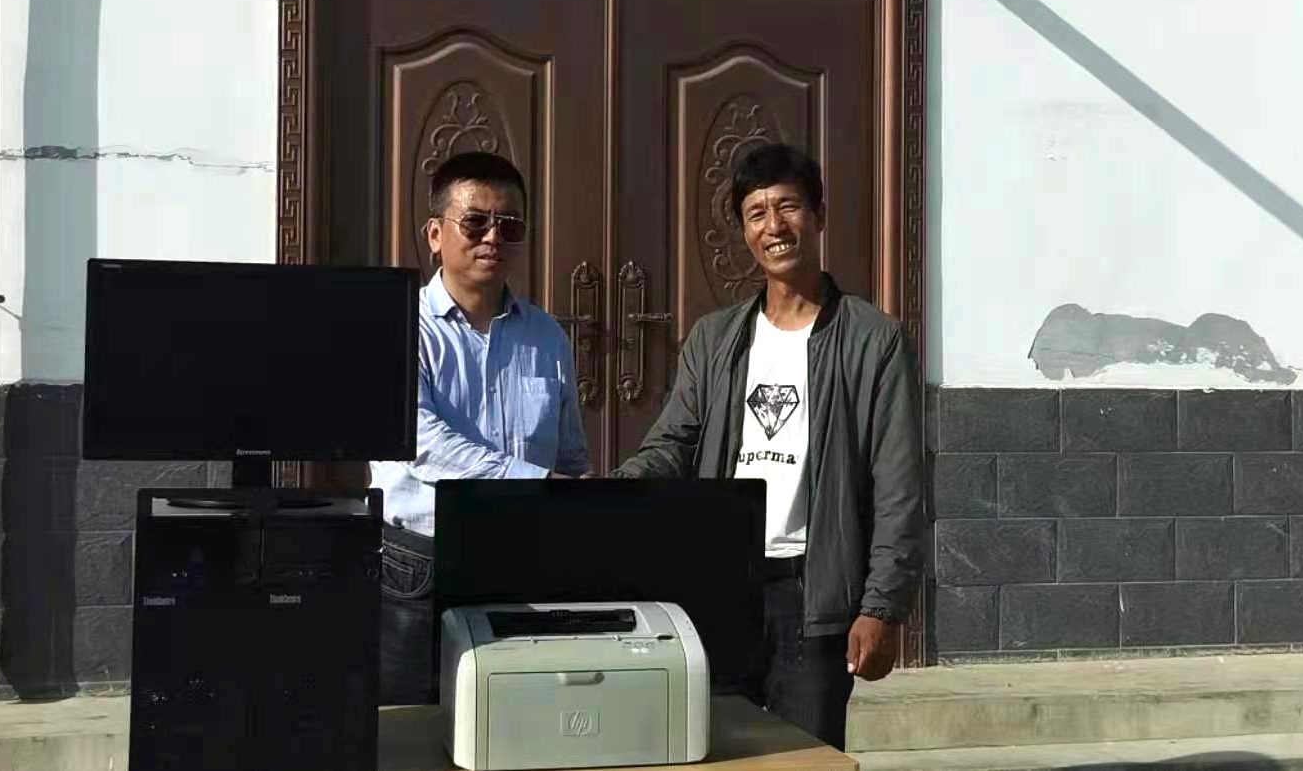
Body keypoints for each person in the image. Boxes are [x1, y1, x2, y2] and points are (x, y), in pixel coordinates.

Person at [610, 142, 924, 749]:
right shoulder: (715, 339)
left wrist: (881, 607)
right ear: (743, 230)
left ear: (819, 215)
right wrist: (618, 487)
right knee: (711, 751)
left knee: (802, 757)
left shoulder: (874, 341)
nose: (774, 226)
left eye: (788, 207)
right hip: (719, 590)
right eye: (756, 213)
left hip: (812, 596)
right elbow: (674, 442)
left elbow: (899, 487)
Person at [370, 150, 590, 705]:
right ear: (435, 234)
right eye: (475, 222)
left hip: (523, 563)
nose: (493, 237)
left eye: (509, 226)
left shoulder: (547, 337)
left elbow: (569, 455)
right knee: (409, 724)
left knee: (514, 719)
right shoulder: (398, 326)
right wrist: (534, 483)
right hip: (419, 564)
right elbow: (419, 443)